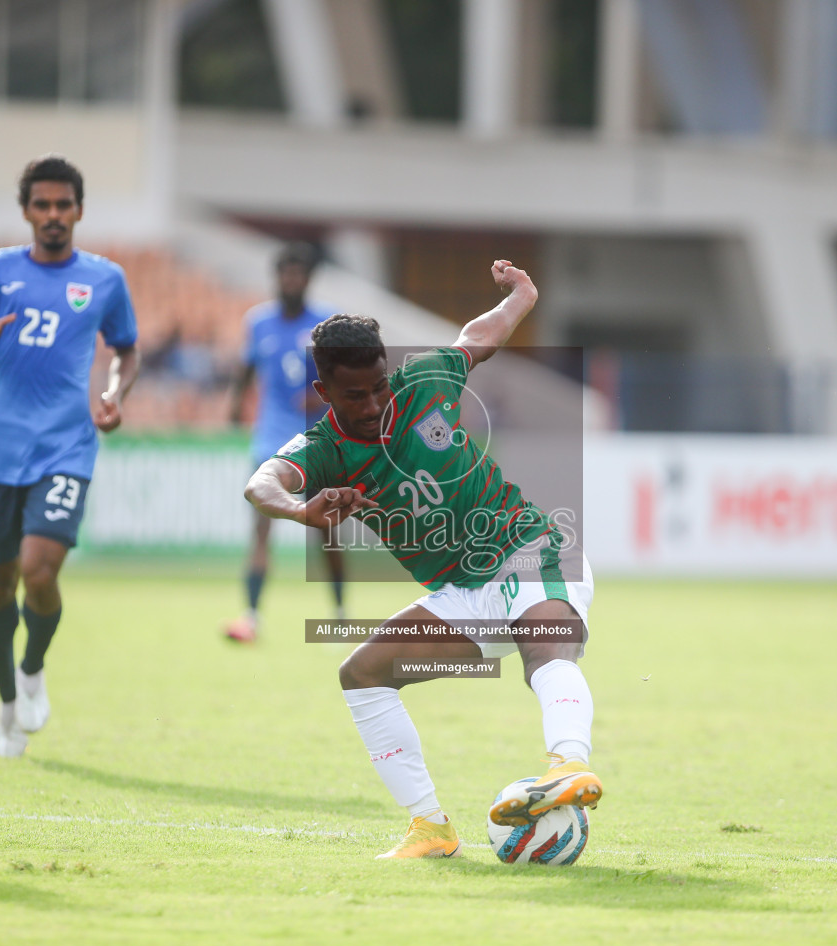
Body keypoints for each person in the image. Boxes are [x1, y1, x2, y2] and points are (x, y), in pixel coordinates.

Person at [243, 260, 603, 859]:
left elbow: (477, 338)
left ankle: (568, 763)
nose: (374, 404)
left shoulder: (425, 381)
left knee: (544, 640)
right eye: (355, 396)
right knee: (362, 674)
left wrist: (522, 298)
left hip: (526, 547)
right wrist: (301, 511)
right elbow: (262, 481)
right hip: (460, 591)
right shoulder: (325, 448)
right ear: (323, 393)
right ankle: (431, 828)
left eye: (380, 386)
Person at [0, 155, 139, 758]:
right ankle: (6, 702)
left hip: (66, 446)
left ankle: (33, 667)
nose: (52, 215)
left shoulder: (105, 280)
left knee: (39, 571)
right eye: (41, 205)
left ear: (78, 210)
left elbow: (127, 348)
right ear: (26, 211)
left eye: (62, 205)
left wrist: (114, 392)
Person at [225, 242, 345, 643]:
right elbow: (246, 368)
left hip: (317, 439)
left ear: (308, 279)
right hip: (271, 437)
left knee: (326, 530)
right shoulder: (258, 322)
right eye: (285, 273)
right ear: (276, 277)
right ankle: (251, 616)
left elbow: (343, 377)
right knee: (261, 526)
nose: (291, 280)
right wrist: (235, 408)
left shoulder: (325, 323)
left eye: (299, 273)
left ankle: (340, 614)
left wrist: (321, 395)